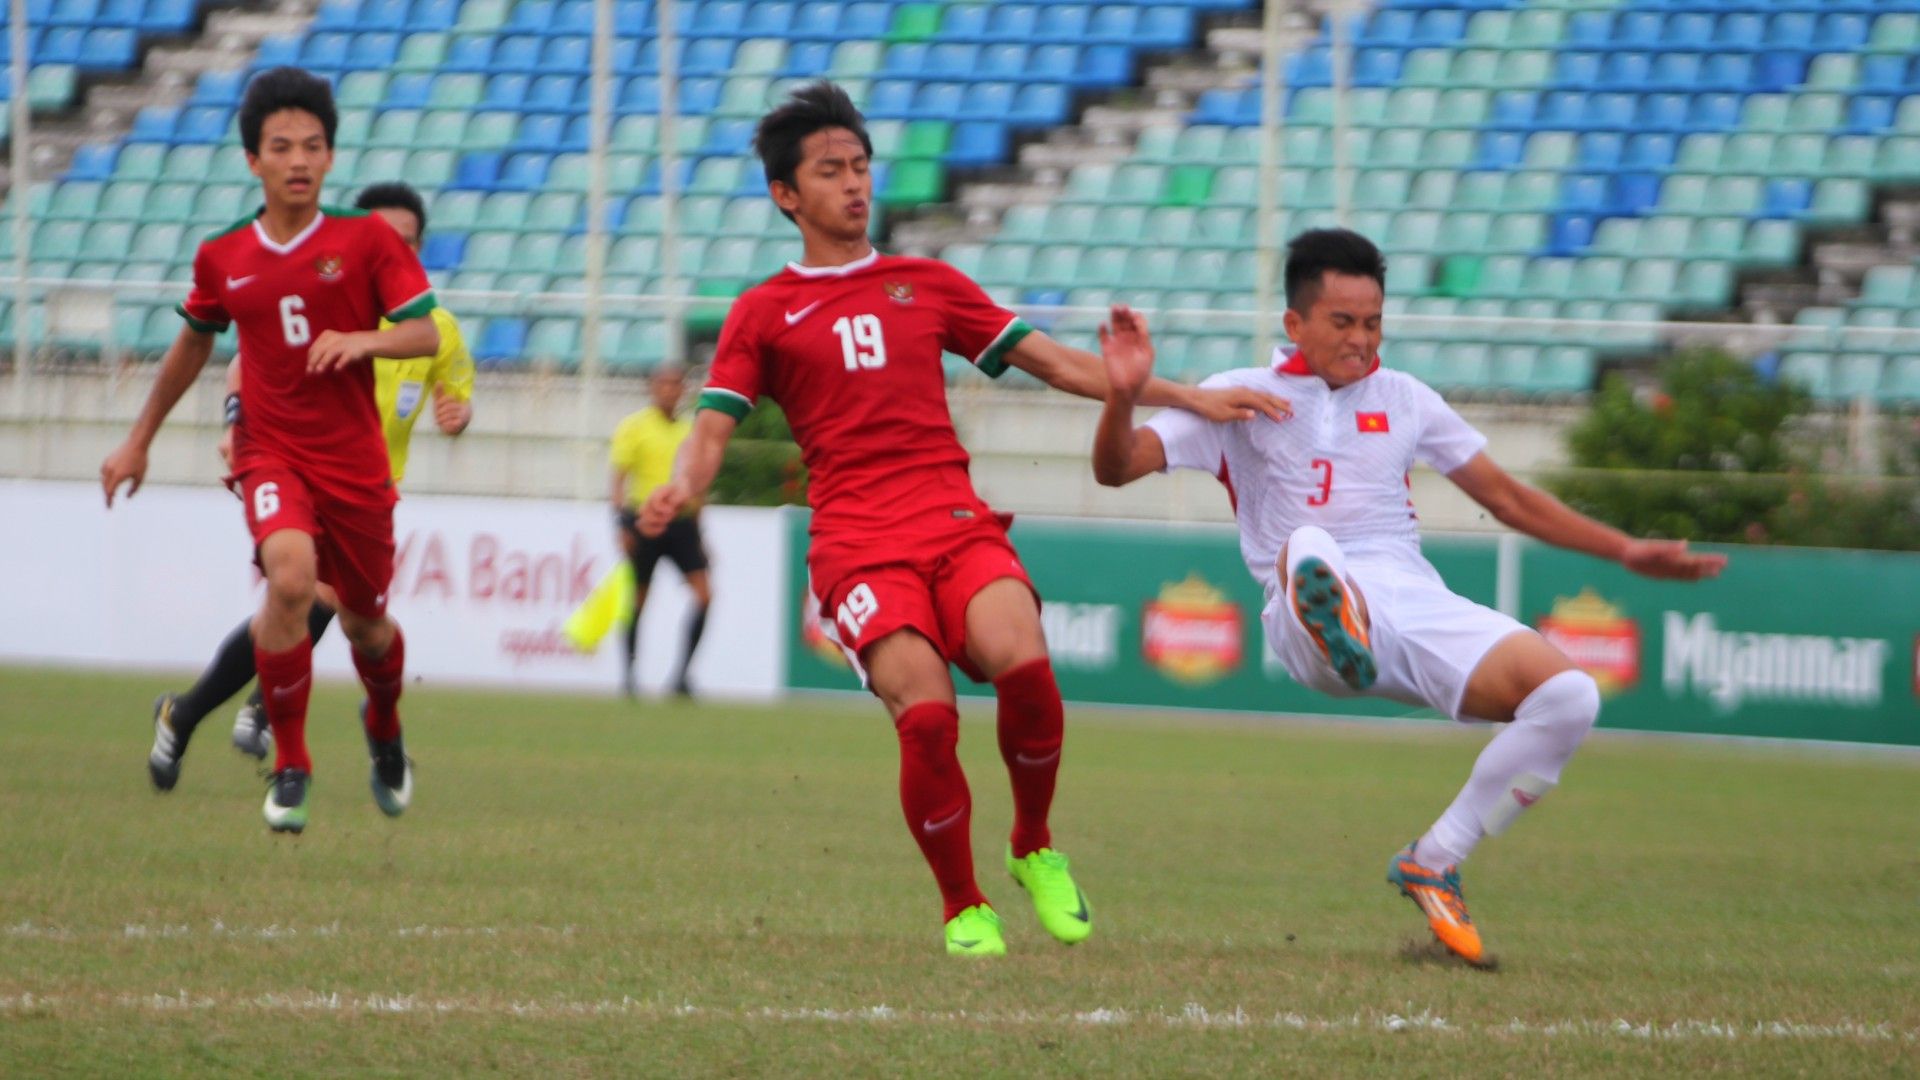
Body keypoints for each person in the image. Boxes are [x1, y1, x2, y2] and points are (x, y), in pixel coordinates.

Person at [641, 82, 1288, 956]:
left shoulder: (929, 283)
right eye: (830, 171)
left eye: (862, 167)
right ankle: (962, 904)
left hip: (954, 521)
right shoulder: (764, 311)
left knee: (1025, 662)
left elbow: (1059, 366)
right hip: (859, 546)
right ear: (786, 196)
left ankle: (1034, 847)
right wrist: (685, 486)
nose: (855, 185)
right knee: (929, 719)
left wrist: (1183, 395)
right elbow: (712, 427)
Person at [1089, 228, 1726, 967]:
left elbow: (1509, 499)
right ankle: (1333, 619)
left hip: (1408, 602)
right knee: (1311, 545)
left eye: (1374, 321)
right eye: (1342, 321)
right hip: (1300, 616)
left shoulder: (1407, 400)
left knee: (1570, 698)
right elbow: (1119, 467)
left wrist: (1623, 550)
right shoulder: (1238, 395)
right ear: (1294, 323)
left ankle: (1436, 857)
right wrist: (1121, 395)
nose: (1362, 339)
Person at [100, 67, 442, 834]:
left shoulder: (367, 241)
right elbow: (195, 343)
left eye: (313, 146)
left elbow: (425, 330)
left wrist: (361, 339)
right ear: (253, 160)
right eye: (281, 146)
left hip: (356, 467)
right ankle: (292, 764)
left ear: (330, 157)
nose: (298, 160)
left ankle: (384, 727)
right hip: (271, 452)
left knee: (366, 629)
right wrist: (138, 440)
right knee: (290, 581)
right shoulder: (223, 256)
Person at [145, 182, 475, 773]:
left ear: (418, 248)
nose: (389, 246)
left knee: (346, 617)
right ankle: (263, 715)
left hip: (366, 490)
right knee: (305, 590)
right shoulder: (319, 293)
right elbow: (248, 363)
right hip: (291, 464)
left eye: (404, 240)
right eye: (380, 235)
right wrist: (234, 423)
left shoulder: (437, 330)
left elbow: (455, 398)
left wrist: (458, 416)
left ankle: (186, 713)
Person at [609, 362, 710, 699]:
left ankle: (681, 675)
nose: (669, 390)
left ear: (683, 389)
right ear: (652, 387)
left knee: (705, 596)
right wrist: (622, 524)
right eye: (663, 384)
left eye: (675, 384)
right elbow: (619, 481)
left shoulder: (689, 430)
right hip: (645, 521)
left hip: (681, 523)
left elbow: (698, 486)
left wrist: (700, 531)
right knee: (638, 601)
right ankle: (630, 676)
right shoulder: (634, 427)